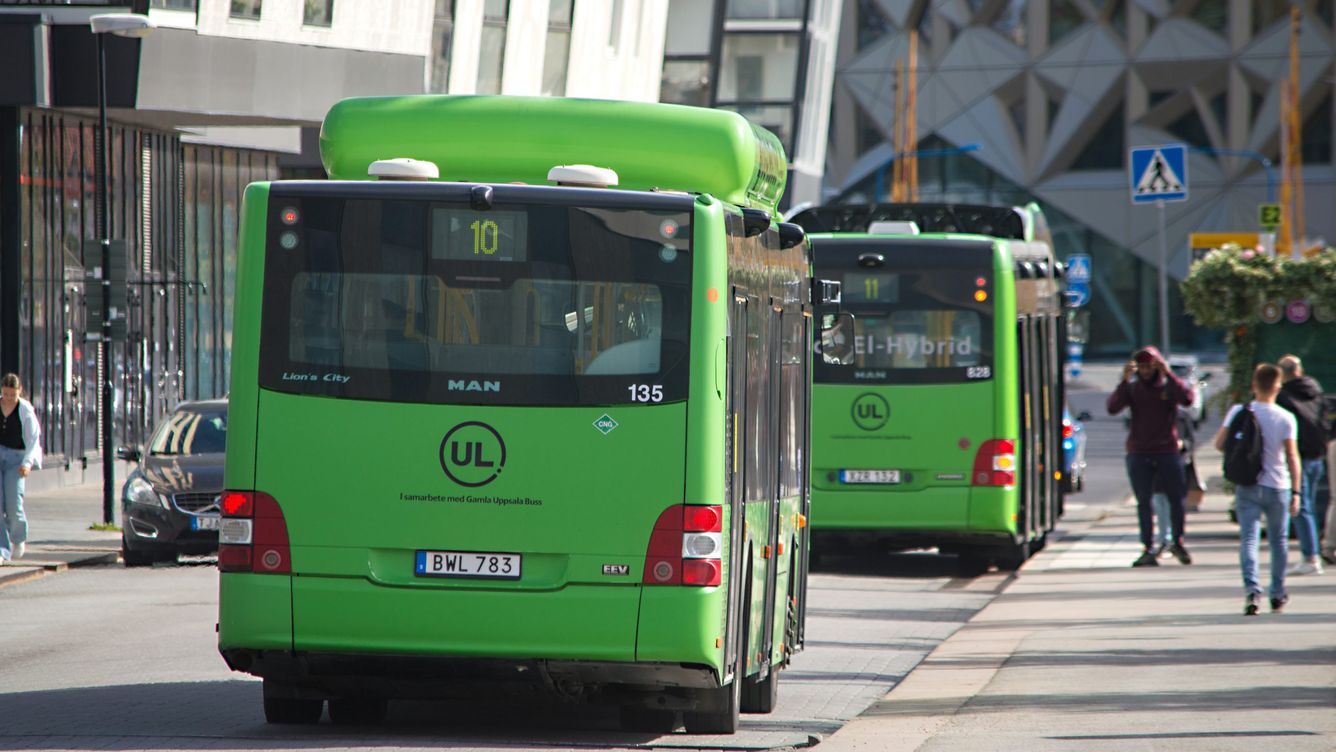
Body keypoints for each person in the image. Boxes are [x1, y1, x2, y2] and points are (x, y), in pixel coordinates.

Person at [1214, 363, 1301, 615]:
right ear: (1278, 386)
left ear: (1254, 385)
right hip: (1278, 486)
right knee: (1278, 541)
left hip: (1247, 485)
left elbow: (1220, 444)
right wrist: (1296, 492)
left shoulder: (1238, 412)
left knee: (1249, 539)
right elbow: (1292, 456)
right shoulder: (1285, 417)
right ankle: (1278, 592)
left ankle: (1252, 591)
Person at [1107, 346, 1196, 567]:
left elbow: (1187, 399)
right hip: (1139, 451)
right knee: (1143, 502)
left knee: (1177, 498)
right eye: (1142, 367)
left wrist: (1168, 373)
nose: (1146, 371)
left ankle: (1178, 541)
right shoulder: (1133, 388)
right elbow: (1113, 407)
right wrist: (1123, 380)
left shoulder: (1167, 387)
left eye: (1150, 366)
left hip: (1167, 450)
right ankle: (1147, 547)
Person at [1275, 355, 1328, 576]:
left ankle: (1311, 556)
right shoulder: (1316, 391)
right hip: (1317, 455)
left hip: (1298, 456)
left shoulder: (1284, 397)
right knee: (1310, 507)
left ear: (1282, 373)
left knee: (1300, 506)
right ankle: (1315, 551)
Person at [0, 373, 42, 562]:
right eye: (6, 394)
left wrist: (27, 463)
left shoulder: (25, 410)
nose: (9, 398)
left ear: (20, 392)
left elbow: (33, 439)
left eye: (12, 395)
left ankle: (18, 538)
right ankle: (2, 549)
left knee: (14, 504)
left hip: (17, 459)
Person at [1151, 407, 1198, 557]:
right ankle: (1164, 540)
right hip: (1156, 466)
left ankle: (1175, 539)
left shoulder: (1182, 416)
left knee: (1175, 504)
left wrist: (1183, 444)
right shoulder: (1152, 413)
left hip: (1177, 465)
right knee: (1159, 503)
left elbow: (1191, 440)